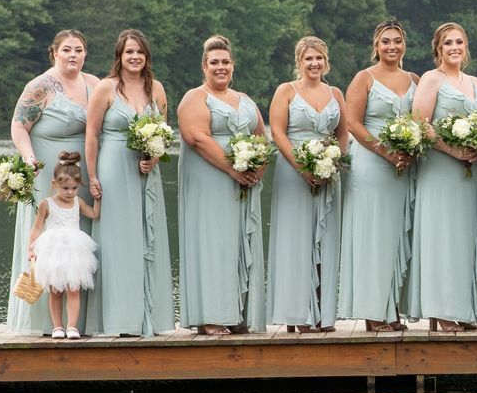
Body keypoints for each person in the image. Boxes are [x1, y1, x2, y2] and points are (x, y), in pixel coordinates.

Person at [83, 29, 174, 337]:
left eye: (140, 52)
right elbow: (92, 134)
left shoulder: (157, 89)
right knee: (118, 243)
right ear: (119, 57)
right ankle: (119, 320)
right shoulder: (106, 88)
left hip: (146, 172)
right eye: (129, 52)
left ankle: (152, 317)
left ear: (146, 57)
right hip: (113, 167)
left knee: (149, 238)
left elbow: (163, 133)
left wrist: (155, 158)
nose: (135, 57)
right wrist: (93, 176)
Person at [176, 34, 269, 335]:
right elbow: (197, 137)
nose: (221, 67)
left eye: (225, 62)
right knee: (213, 243)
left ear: (233, 65)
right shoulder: (195, 97)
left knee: (239, 243)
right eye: (214, 62)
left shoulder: (245, 100)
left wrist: (256, 170)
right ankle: (211, 316)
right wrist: (232, 169)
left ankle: (238, 313)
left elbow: (261, 138)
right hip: (210, 182)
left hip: (242, 181)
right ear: (204, 66)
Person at [6, 29, 94, 334]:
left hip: (83, 174)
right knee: (47, 241)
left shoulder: (94, 84)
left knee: (80, 245)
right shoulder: (40, 87)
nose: (73, 55)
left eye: (79, 50)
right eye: (67, 49)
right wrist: (29, 159)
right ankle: (46, 322)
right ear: (54, 53)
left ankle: (82, 321)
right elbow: (19, 127)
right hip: (48, 172)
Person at [408, 22, 477, 332]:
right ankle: (440, 310)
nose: (454, 47)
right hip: (441, 169)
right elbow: (420, 123)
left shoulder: (476, 82)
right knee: (441, 237)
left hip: (471, 172)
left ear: (465, 46)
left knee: (465, 239)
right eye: (448, 43)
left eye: (459, 42)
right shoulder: (432, 79)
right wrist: (451, 149)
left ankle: (464, 308)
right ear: (438, 49)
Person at [338, 20, 418, 331]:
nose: (392, 46)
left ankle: (391, 308)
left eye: (397, 41)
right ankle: (374, 314)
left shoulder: (414, 79)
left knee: (397, 237)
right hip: (372, 166)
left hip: (404, 168)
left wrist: (411, 148)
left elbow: (421, 120)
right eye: (386, 41)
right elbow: (353, 124)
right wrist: (385, 151)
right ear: (376, 46)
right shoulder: (364, 78)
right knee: (374, 237)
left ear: (404, 45)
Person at [268, 36, 346, 332]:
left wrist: (333, 162)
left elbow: (342, 133)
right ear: (299, 62)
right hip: (293, 172)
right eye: (308, 59)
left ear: (326, 62)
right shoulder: (286, 91)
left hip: (327, 173)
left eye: (319, 59)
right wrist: (302, 168)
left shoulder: (335, 93)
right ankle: (296, 314)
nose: (314, 64)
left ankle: (322, 314)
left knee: (324, 241)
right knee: (296, 240)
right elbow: (277, 132)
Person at [27, 150, 101, 339]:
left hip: (74, 252)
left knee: (74, 290)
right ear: (55, 185)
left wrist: (98, 200)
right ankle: (57, 327)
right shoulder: (46, 204)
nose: (70, 192)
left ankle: (72, 327)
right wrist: (31, 249)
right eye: (66, 188)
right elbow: (36, 228)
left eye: (74, 188)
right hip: (52, 252)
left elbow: (93, 214)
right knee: (55, 291)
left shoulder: (78, 202)